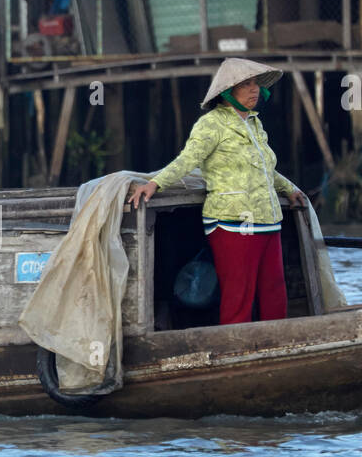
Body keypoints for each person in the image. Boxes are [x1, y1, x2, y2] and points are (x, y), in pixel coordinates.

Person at [127, 57, 308, 326]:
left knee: (274, 288)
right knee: (238, 294)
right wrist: (156, 183)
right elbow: (187, 160)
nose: (254, 90)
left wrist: (290, 189)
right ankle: (235, 351)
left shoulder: (255, 124)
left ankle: (277, 347)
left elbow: (266, 167)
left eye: (255, 84)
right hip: (232, 221)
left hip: (268, 219)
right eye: (245, 85)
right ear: (227, 92)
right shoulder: (211, 124)